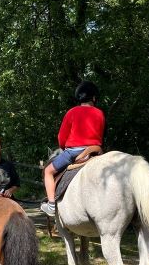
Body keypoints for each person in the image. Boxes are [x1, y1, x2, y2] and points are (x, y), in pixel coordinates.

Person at [40, 81, 105, 217]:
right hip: (96, 151)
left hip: (75, 151)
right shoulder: (100, 113)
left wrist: (64, 147)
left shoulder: (72, 112)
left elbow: (62, 137)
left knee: (48, 171)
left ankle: (51, 205)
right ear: (93, 98)